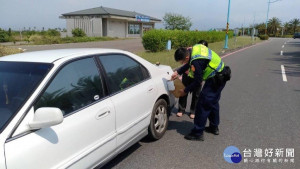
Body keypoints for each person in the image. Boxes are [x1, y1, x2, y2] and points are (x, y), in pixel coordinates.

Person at [171, 43, 230, 141]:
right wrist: (178, 72)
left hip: (216, 79)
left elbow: (198, 81)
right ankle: (214, 127)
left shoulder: (196, 61)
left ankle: (197, 133)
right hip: (220, 74)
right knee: (213, 103)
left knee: (202, 105)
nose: (182, 63)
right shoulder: (194, 49)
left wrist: (185, 90)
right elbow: (189, 63)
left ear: (186, 56)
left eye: (182, 61)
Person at [176, 40, 208, 119]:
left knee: (196, 95)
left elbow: (198, 78)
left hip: (197, 77)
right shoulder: (189, 52)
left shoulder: (202, 57)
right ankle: (181, 109)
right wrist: (178, 72)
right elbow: (187, 64)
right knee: (183, 92)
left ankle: (193, 111)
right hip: (187, 75)